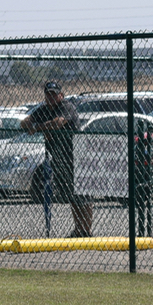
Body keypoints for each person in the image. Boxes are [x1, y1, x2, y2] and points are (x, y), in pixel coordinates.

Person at [20, 80, 93, 237]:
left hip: (76, 154)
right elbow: (24, 122)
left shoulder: (66, 106)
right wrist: (33, 125)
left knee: (83, 194)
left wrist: (37, 128)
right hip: (59, 157)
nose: (51, 97)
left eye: (54, 94)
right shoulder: (44, 109)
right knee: (72, 195)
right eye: (48, 95)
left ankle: (86, 230)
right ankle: (78, 229)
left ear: (61, 95)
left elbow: (59, 122)